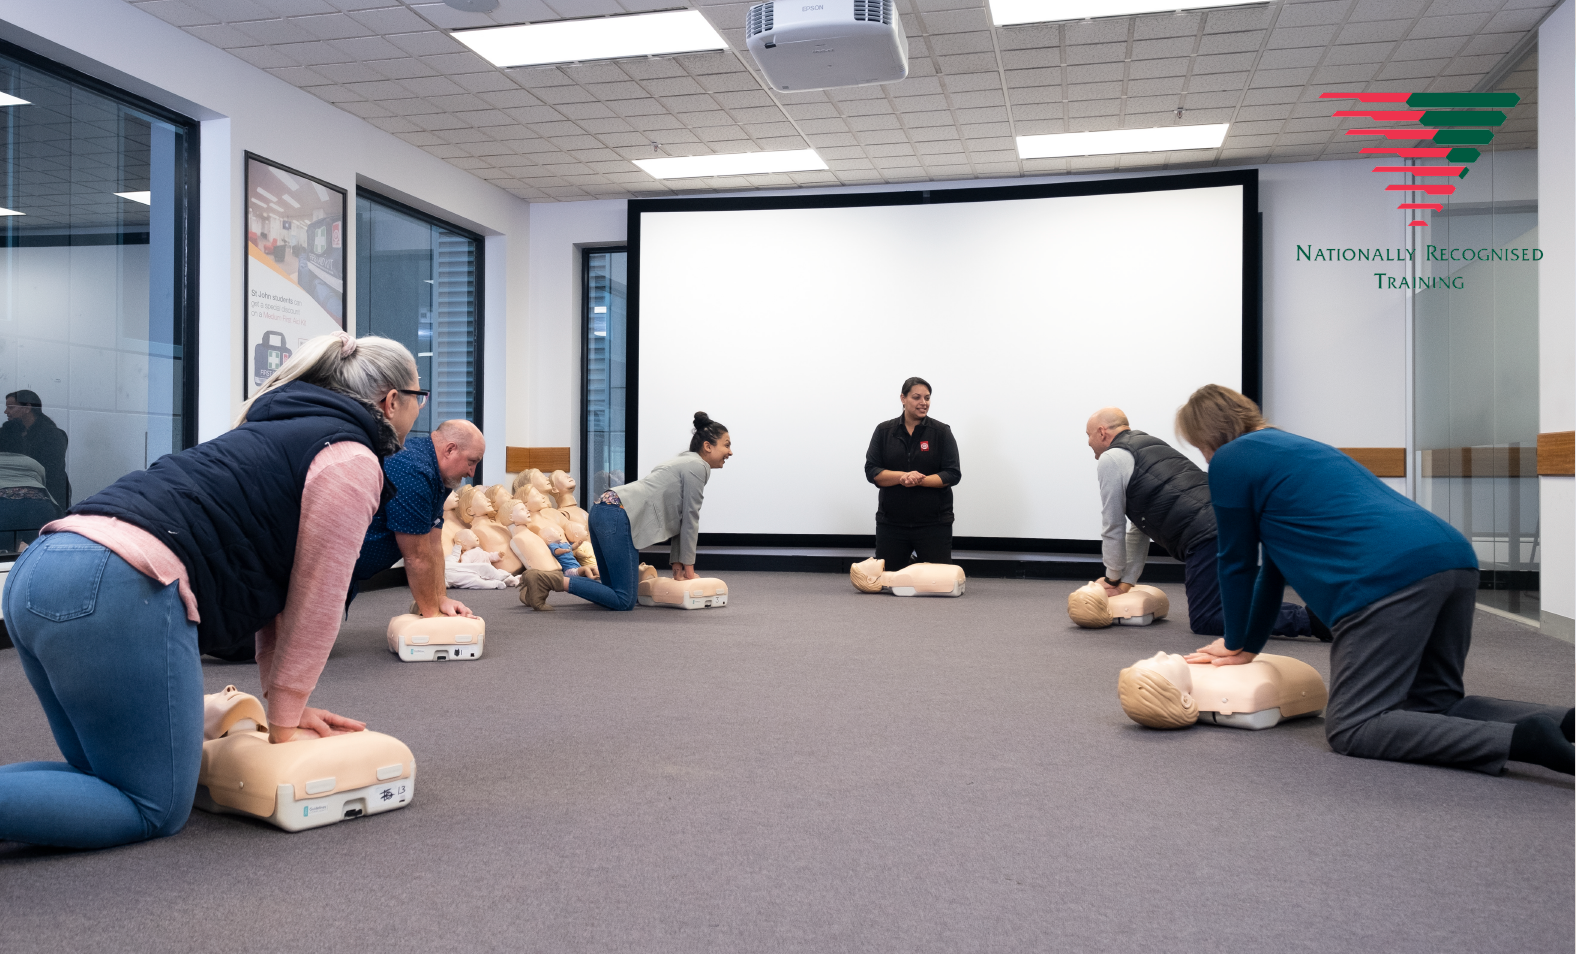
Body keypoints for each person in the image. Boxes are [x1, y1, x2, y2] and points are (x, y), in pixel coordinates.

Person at [0, 332, 426, 849]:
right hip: (120, 582)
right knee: (150, 807)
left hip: (40, 565)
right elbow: (317, 598)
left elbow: (279, 592)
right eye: (419, 399)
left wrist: (284, 708)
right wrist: (285, 720)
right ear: (392, 401)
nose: (418, 412)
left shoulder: (269, 430)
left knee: (98, 772)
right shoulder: (350, 460)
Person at [1176, 384, 1574, 775]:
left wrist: (1232, 641)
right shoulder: (1300, 448)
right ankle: (1565, 722)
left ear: (1208, 435)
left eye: (1199, 447)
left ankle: (1524, 741)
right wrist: (1247, 645)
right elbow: (1272, 573)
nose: (1206, 458)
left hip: (1385, 578)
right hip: (1453, 558)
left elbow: (1236, 562)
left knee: (1353, 727)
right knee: (1434, 704)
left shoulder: (1230, 459)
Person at [1085, 407, 1315, 640]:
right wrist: (1125, 583)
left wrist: (1111, 578)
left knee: (1207, 618)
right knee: (1233, 600)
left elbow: (1112, 525)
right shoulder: (1149, 444)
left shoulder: (1111, 458)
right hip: (1231, 522)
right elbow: (1139, 530)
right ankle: (1318, 617)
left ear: (1102, 432)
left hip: (1205, 534)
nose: (1088, 443)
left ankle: (1311, 621)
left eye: (1088, 435)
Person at [521, 411, 731, 611]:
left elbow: (680, 519)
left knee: (611, 589)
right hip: (617, 514)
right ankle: (549, 581)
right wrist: (690, 572)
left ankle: (538, 584)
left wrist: (678, 567)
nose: (730, 452)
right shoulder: (698, 467)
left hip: (603, 509)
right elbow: (691, 520)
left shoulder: (683, 460)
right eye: (726, 445)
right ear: (707, 446)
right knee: (623, 600)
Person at [353, 418, 485, 619]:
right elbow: (416, 556)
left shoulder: (439, 476)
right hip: (323, 564)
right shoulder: (413, 469)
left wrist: (440, 599)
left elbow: (433, 543)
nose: (471, 472)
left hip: (347, 570)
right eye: (471, 461)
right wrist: (433, 615)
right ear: (450, 450)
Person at [864, 377, 960, 570]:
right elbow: (872, 471)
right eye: (917, 397)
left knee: (936, 581)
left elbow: (952, 474)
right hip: (892, 524)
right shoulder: (884, 431)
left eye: (927, 398)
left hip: (934, 524)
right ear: (903, 398)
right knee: (888, 580)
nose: (923, 403)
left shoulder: (941, 432)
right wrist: (902, 477)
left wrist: (919, 480)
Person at [0, 420, 62, 548]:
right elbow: (42, 484)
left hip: (3, 506)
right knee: (40, 549)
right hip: (39, 507)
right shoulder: (34, 464)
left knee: (4, 552)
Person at [4, 389, 70, 508]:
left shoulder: (53, 435)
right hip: (20, 497)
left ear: (27, 408)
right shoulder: (12, 435)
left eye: (11, 407)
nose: (6, 411)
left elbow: (50, 471)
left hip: (49, 498)